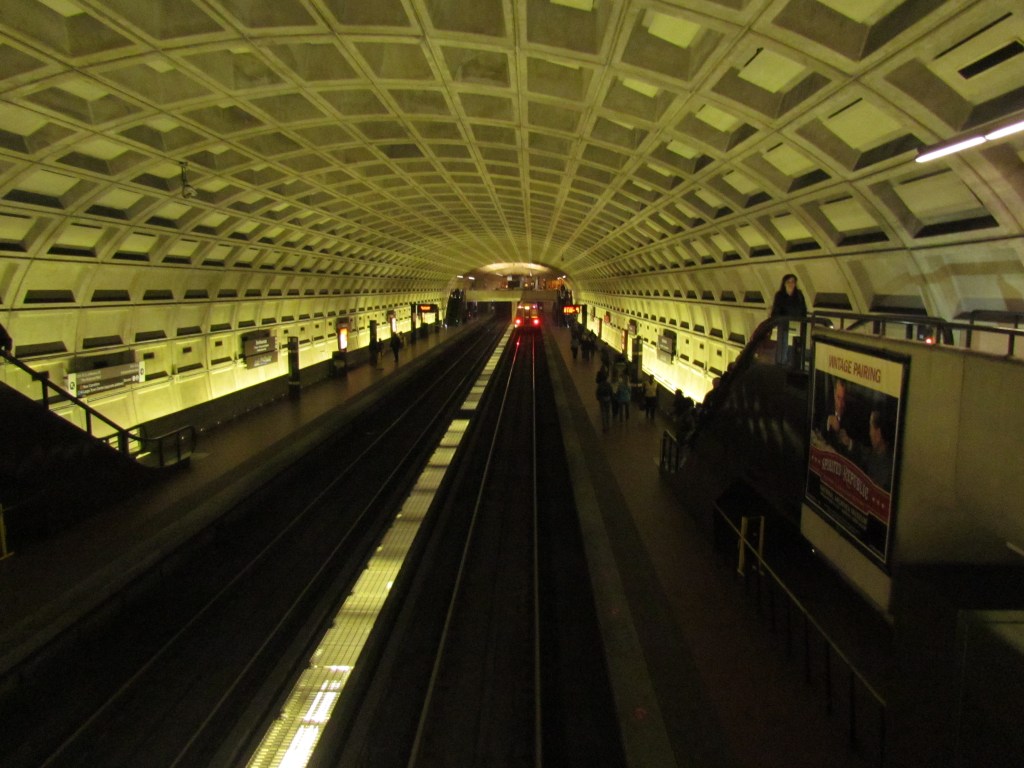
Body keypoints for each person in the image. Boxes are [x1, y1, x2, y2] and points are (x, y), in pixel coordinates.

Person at [770, 273, 807, 365]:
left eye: (793, 282)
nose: (791, 284)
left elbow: (803, 309)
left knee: (796, 344)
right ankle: (782, 361)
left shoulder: (799, 295)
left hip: (797, 324)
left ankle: (795, 362)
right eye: (788, 282)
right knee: (783, 342)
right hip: (784, 324)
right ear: (784, 283)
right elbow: (776, 310)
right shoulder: (780, 295)